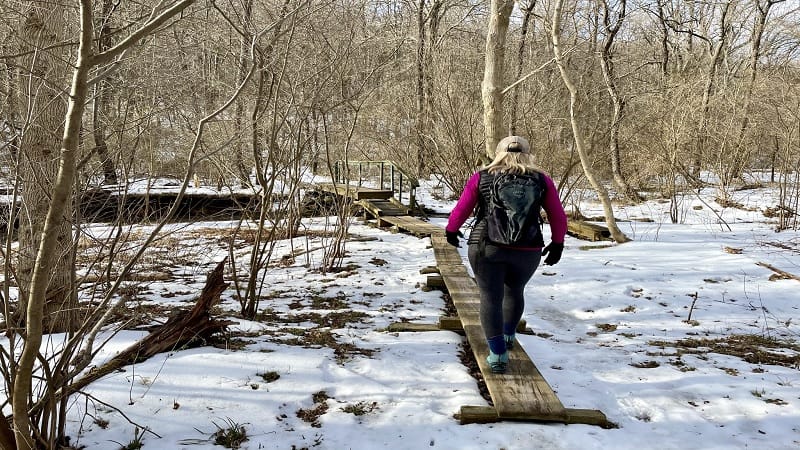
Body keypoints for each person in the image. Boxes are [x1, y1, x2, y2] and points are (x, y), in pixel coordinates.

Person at [445, 135, 567, 374]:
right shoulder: (541, 180)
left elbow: (462, 207)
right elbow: (558, 215)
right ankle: (509, 336)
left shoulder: (482, 177)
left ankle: (498, 353)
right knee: (514, 291)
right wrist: (558, 243)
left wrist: (451, 230)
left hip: (487, 246)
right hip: (528, 249)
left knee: (490, 297)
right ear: (528, 153)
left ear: (498, 153)